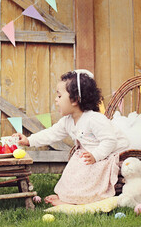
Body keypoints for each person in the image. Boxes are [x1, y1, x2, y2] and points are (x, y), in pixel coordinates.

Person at [14, 70, 130, 206]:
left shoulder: (94, 119)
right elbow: (51, 133)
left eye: (59, 96)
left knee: (87, 170)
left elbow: (110, 141)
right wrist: (29, 140)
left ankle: (81, 198)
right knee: (73, 169)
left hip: (109, 154)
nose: (56, 100)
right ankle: (67, 196)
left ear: (75, 100)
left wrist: (96, 155)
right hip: (89, 155)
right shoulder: (67, 121)